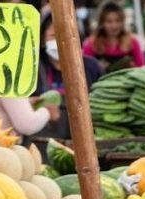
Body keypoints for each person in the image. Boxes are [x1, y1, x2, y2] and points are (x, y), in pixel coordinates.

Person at [35, 11, 104, 139]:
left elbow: (104, 102)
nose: (60, 42)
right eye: (53, 36)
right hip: (46, 142)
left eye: (65, 36)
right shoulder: (35, 68)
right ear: (43, 39)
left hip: (88, 139)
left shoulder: (92, 67)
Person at [83, 1, 145, 71]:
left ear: (123, 22)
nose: (114, 26)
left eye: (118, 21)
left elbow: (142, 69)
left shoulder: (133, 42)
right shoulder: (91, 44)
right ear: (102, 23)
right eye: (109, 21)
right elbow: (87, 71)